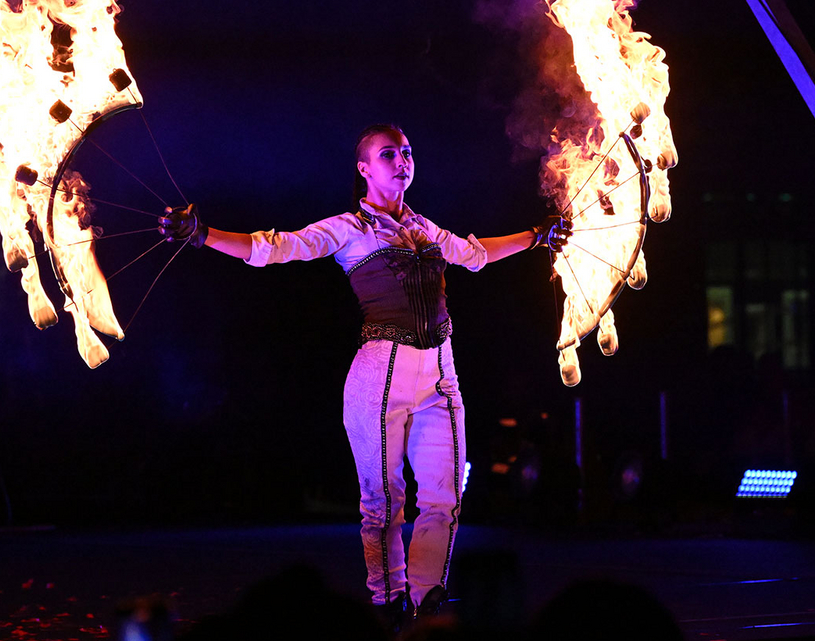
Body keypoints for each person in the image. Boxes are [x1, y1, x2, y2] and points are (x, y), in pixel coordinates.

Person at [158, 124, 570, 628]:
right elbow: (277, 247)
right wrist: (203, 235)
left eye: (408, 152)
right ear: (364, 169)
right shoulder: (350, 228)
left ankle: (424, 602)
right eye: (389, 154)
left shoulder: (426, 228)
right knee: (383, 500)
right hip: (380, 376)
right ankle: (386, 601)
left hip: (442, 376)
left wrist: (536, 236)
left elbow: (476, 254)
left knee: (444, 496)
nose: (402, 161)